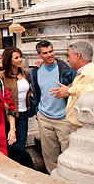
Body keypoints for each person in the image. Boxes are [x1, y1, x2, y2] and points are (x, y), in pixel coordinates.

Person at [30, 40, 77, 174]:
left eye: (51, 51)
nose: (49, 55)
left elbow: (78, 86)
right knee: (49, 154)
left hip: (64, 118)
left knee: (69, 151)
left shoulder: (67, 70)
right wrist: (37, 111)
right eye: (45, 53)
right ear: (39, 55)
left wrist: (69, 88)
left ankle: (70, 177)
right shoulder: (35, 72)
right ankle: (54, 179)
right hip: (44, 118)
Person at [49, 41, 94, 128]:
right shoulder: (82, 72)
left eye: (69, 56)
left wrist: (71, 90)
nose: (67, 59)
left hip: (85, 129)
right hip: (79, 126)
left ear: (77, 56)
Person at [0, 47, 34, 147]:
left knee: (21, 144)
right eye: (16, 58)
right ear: (9, 60)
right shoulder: (2, 76)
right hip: (8, 116)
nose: (20, 60)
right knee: (11, 145)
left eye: (20, 57)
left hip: (23, 115)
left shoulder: (25, 73)